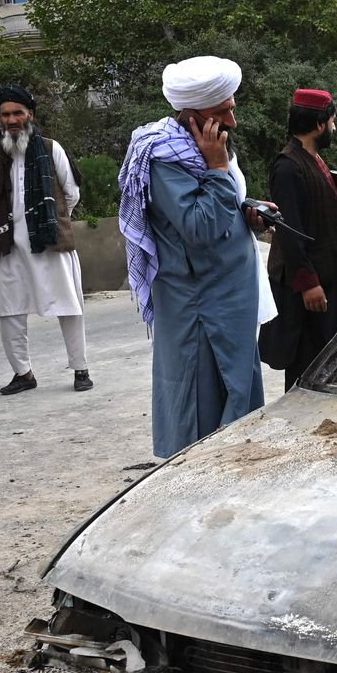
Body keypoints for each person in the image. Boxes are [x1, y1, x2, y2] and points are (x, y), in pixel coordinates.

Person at [119, 55, 266, 459]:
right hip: (200, 307)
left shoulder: (204, 146)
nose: (232, 121)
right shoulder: (167, 157)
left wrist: (247, 212)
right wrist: (218, 170)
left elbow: (220, 209)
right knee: (202, 402)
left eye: (232, 109)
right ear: (191, 114)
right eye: (222, 113)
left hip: (226, 301)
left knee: (236, 387)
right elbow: (199, 227)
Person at [0, 85, 90, 396]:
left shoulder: (50, 147)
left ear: (30, 114)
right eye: (5, 114)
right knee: (10, 310)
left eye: (18, 113)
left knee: (69, 305)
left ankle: (80, 368)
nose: (12, 119)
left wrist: (50, 220)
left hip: (49, 241)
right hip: (10, 245)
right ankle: (23, 372)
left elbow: (71, 193)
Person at [259, 88, 337, 391]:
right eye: (333, 121)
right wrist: (308, 283)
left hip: (330, 286)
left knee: (329, 365)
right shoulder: (288, 167)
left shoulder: (312, 159)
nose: (335, 127)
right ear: (320, 124)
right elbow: (290, 234)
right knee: (306, 370)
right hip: (310, 294)